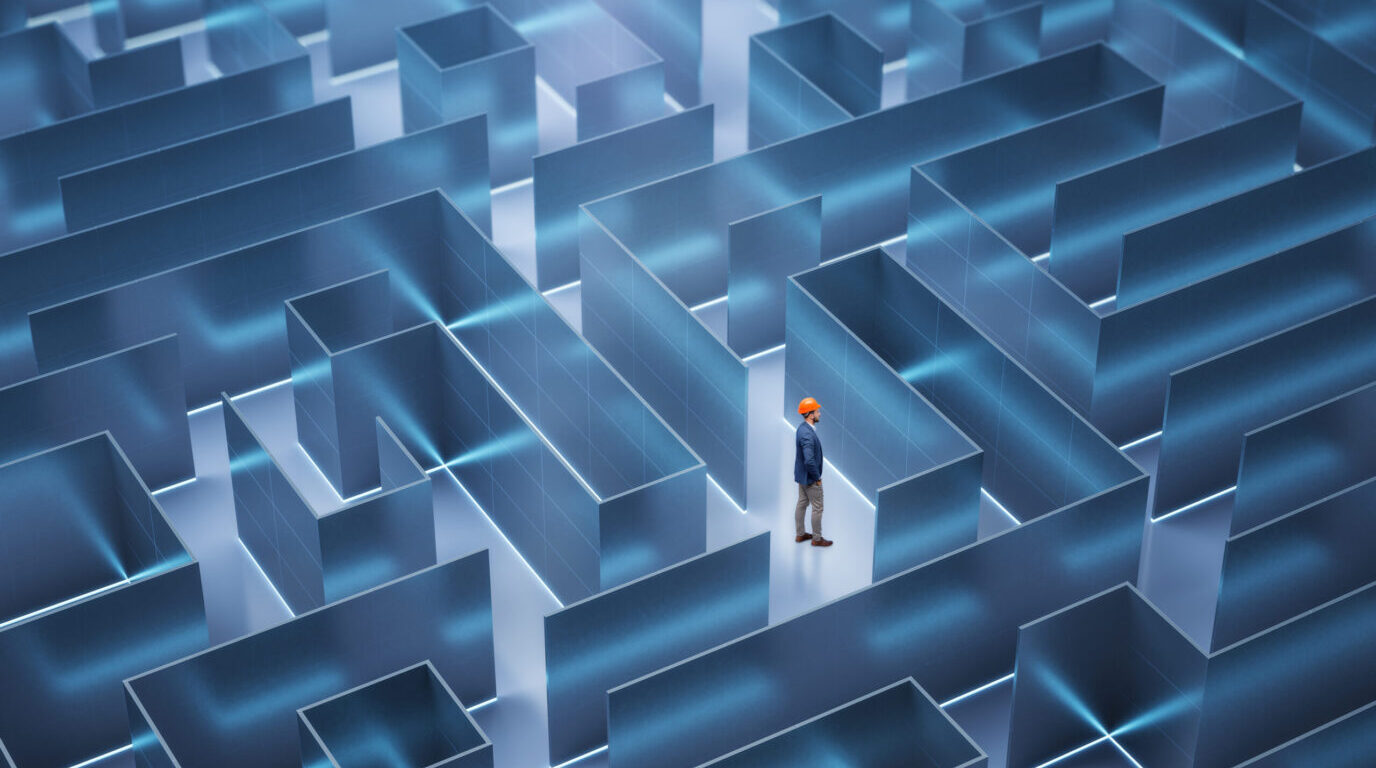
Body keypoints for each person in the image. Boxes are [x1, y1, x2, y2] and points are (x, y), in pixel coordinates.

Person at [793, 396, 832, 547]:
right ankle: (817, 539)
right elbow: (809, 460)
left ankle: (800, 534)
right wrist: (817, 478)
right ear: (810, 414)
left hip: (801, 477)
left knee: (802, 503)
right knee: (817, 507)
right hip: (810, 478)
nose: (819, 414)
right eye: (817, 411)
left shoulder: (801, 428)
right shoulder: (808, 435)